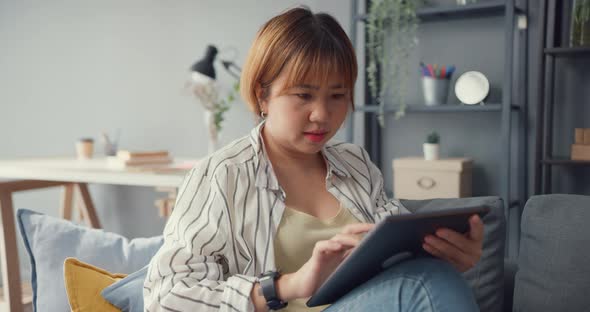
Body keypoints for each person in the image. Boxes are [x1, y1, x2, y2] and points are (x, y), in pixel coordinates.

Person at [144, 6, 483, 312]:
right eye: (303, 95)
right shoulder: (222, 175)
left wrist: (450, 254)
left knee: (433, 275)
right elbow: (165, 297)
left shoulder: (356, 164)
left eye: (337, 95)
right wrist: (288, 285)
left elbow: (397, 258)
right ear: (263, 93)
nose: (322, 114)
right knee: (424, 284)